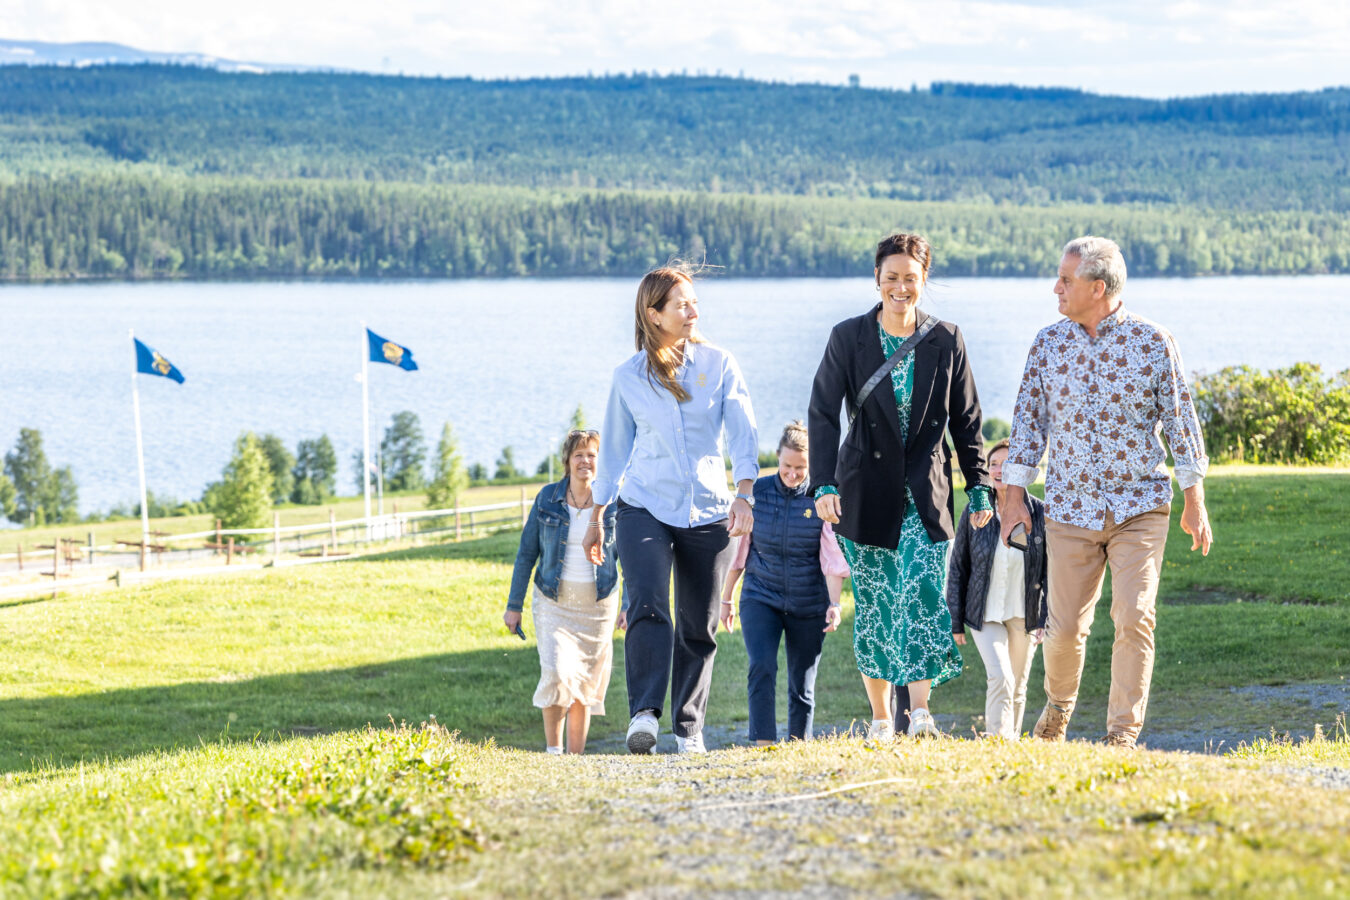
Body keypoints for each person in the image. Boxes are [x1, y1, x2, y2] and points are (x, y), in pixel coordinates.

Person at [1001, 235, 1213, 749]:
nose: (1056, 288)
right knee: (1064, 630)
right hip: (1070, 510)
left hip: (1140, 507)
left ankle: (1122, 734)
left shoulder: (1152, 341)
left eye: (1065, 280)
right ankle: (1059, 705)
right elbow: (1027, 429)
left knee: (1135, 615)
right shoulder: (1048, 344)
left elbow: (1181, 424)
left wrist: (1194, 501)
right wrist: (1011, 504)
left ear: (1098, 288)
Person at [808, 232, 993, 740]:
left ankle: (922, 713)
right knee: (877, 601)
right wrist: (822, 482)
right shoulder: (848, 337)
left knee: (925, 596)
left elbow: (968, 419)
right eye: (891, 277)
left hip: (926, 492)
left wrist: (978, 485)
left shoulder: (946, 338)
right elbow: (822, 414)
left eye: (910, 278)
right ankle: (881, 717)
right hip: (864, 493)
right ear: (877, 279)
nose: (900, 287)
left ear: (923, 280)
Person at [585, 263, 759, 755]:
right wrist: (597, 517)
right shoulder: (628, 377)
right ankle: (644, 713)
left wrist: (744, 493)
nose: (693, 311)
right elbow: (615, 452)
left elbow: (743, 434)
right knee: (646, 601)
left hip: (709, 510)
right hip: (644, 505)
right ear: (654, 313)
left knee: (698, 623)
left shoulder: (719, 364)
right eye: (682, 304)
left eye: (693, 302)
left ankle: (688, 727)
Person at [720, 421, 849, 744]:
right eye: (787, 466)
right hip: (761, 595)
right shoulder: (756, 494)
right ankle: (762, 744)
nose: (792, 474)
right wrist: (726, 599)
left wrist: (834, 604)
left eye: (801, 468)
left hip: (809, 602)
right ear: (777, 458)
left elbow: (831, 556)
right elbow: (739, 552)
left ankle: (797, 745)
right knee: (761, 666)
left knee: (802, 683)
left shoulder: (822, 498)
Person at [504, 429, 620, 755]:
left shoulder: (613, 502)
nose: (585, 461)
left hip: (598, 605)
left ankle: (575, 758)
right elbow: (527, 553)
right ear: (567, 462)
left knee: (583, 683)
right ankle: (554, 753)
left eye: (592, 455)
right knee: (556, 671)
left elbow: (630, 557)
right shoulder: (547, 498)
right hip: (553, 601)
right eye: (578, 455)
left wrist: (630, 604)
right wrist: (514, 605)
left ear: (600, 461)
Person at [947, 438, 1048, 740]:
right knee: (1001, 677)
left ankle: (1011, 745)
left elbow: (1050, 570)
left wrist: (1045, 619)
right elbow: (957, 567)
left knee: (1018, 685)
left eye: (1006, 464)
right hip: (984, 613)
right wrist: (955, 620)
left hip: (1025, 613)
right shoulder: (975, 512)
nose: (998, 470)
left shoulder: (1040, 514)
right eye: (993, 464)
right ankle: (997, 740)